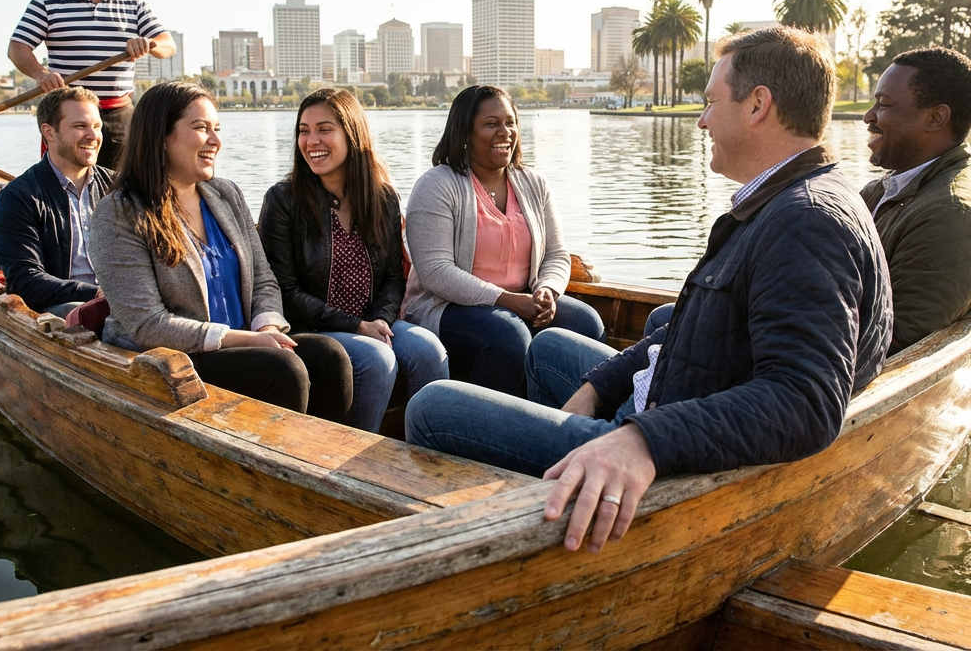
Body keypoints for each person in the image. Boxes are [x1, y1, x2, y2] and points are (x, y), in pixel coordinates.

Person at [407, 26, 892, 554]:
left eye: (710, 102)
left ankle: (486, 543)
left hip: (658, 443)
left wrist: (642, 440)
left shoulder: (805, 222)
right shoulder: (786, 202)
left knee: (433, 407)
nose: (702, 119)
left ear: (757, 105)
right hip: (666, 399)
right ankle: (547, 489)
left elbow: (805, 401)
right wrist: (600, 385)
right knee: (548, 350)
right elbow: (686, 329)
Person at [89, 81, 352, 422]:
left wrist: (267, 328)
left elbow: (263, 280)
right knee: (283, 369)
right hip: (169, 362)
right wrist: (239, 340)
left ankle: (328, 463)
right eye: (201, 128)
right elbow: (147, 324)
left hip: (241, 343)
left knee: (329, 355)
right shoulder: (119, 213)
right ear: (162, 137)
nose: (216, 141)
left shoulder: (225, 194)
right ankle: (274, 469)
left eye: (217, 129)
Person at [258, 89, 448, 433]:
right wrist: (357, 326)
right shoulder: (283, 200)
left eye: (324, 129)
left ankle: (430, 452)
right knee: (376, 359)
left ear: (352, 134)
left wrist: (378, 319)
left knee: (427, 350)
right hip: (314, 327)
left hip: (371, 320)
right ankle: (358, 462)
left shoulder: (382, 198)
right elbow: (284, 290)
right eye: (303, 130)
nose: (311, 140)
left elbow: (393, 276)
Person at [403, 85, 606, 397]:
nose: (505, 132)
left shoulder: (534, 183)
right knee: (507, 333)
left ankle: (564, 425)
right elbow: (435, 272)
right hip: (448, 309)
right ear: (465, 133)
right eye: (491, 123)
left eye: (510, 122)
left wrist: (547, 292)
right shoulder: (436, 185)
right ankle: (484, 428)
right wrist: (509, 301)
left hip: (524, 300)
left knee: (585, 323)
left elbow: (556, 254)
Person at [861, 47, 971, 355]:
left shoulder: (951, 216)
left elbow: (894, 342)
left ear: (936, 117)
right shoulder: (887, 189)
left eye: (883, 104)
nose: (868, 117)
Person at [8, 0, 176, 170]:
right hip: (69, 114)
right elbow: (17, 48)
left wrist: (148, 43)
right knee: (67, 183)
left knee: (123, 189)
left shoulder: (133, 1)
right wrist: (41, 74)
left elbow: (167, 45)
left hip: (119, 115)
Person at [0, 87, 113, 317]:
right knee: (83, 314)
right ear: (49, 132)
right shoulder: (19, 196)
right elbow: (25, 281)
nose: (93, 136)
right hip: (64, 309)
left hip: (125, 301)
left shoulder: (117, 186)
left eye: (97, 127)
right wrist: (97, 294)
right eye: (80, 126)